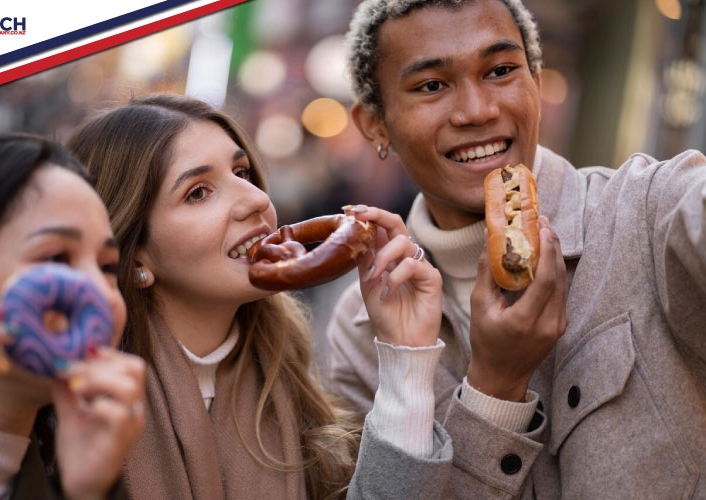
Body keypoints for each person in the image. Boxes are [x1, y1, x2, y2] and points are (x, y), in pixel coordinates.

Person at [328, 0, 706, 498]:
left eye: (501, 70)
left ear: (536, 80)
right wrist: (493, 387)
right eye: (432, 86)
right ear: (375, 124)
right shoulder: (362, 333)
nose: (479, 111)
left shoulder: (647, 209)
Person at [65, 93, 450, 499]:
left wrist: (406, 357)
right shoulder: (66, 416)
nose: (257, 200)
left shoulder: (302, 396)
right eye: (198, 192)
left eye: (243, 173)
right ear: (135, 253)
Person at [0, 134, 147, 499]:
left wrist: (87, 493)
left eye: (108, 266)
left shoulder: (87, 479)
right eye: (55, 259)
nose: (97, 291)